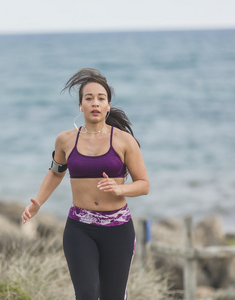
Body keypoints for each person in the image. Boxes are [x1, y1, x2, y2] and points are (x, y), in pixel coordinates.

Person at [21, 68, 149, 300]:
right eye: (88, 98)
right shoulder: (66, 140)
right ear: (80, 106)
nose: (95, 103)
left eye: (101, 98)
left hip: (118, 228)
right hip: (80, 227)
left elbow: (144, 184)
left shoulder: (124, 141)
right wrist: (38, 202)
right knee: (87, 293)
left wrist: (121, 189)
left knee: (113, 295)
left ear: (108, 105)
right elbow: (55, 173)